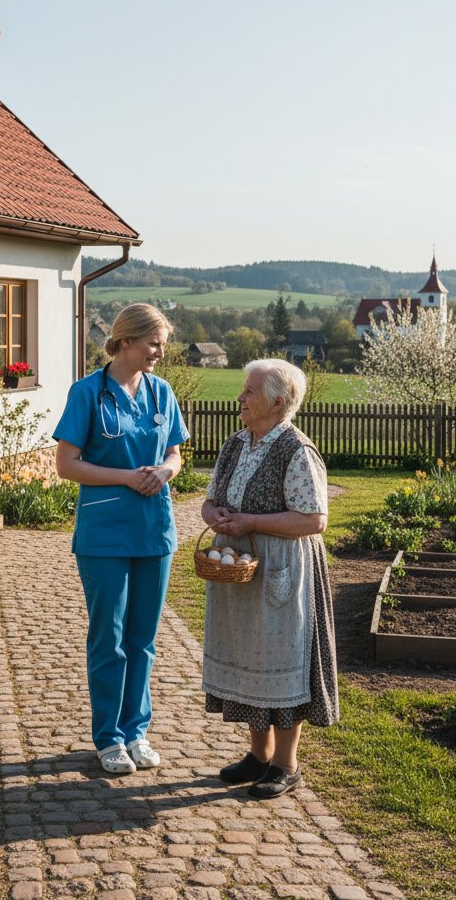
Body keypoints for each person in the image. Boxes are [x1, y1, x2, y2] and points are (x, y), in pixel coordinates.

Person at [54, 303, 189, 775]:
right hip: (104, 535)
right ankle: (109, 738)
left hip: (154, 531)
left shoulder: (161, 392)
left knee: (142, 640)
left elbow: (175, 453)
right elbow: (67, 464)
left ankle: (136, 732)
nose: (160, 353)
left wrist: (165, 471)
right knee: (108, 639)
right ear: (126, 341)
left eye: (162, 345)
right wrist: (127, 477)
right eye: (154, 343)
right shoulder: (87, 393)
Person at [201, 358, 338, 799]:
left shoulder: (296, 450)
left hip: (282, 569)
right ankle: (258, 756)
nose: (240, 397)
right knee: (249, 657)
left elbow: (314, 520)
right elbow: (209, 501)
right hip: (239, 569)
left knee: (281, 660)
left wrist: (251, 522)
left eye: (250, 391)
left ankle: (286, 765)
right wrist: (215, 515)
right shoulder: (235, 444)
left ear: (278, 402)